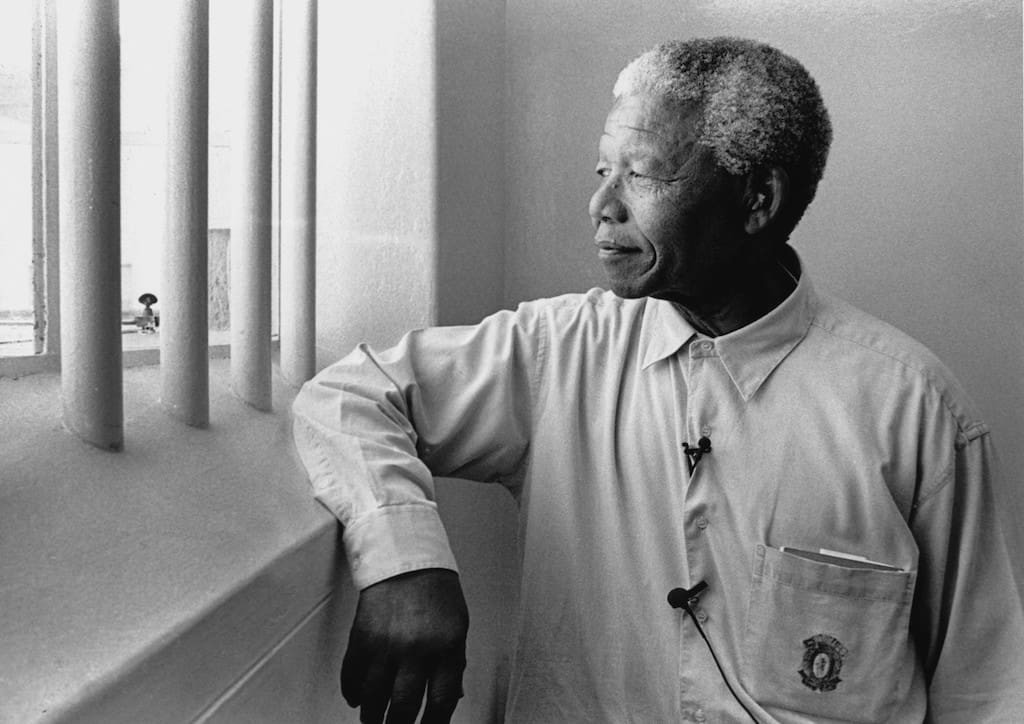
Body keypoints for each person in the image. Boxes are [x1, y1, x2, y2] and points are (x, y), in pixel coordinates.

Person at [292, 37, 1024, 723]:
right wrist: (407, 563)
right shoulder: (557, 352)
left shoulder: (912, 409)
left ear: (758, 200)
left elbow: (988, 690)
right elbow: (350, 395)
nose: (602, 205)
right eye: (602, 170)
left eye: (641, 174)